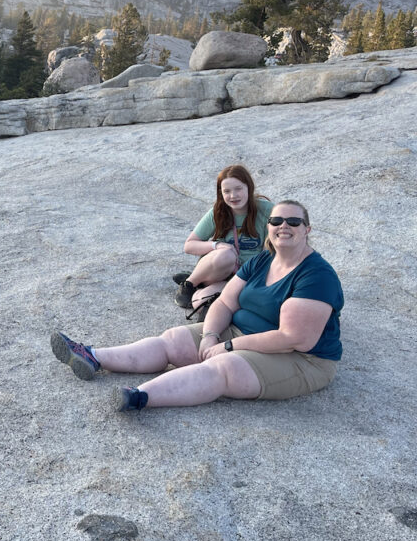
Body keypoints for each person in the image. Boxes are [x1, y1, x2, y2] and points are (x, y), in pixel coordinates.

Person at [51, 200, 343, 412]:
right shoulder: (264, 259)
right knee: (175, 340)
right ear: (268, 227)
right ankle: (92, 356)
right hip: (241, 331)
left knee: (223, 367)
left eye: (293, 222)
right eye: (276, 221)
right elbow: (226, 301)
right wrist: (211, 336)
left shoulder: (316, 275)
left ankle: (139, 396)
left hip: (301, 359)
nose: (283, 227)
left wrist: (228, 347)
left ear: (307, 230)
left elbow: (292, 338)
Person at [174, 164, 273, 310]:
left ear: (249, 187)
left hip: (246, 276)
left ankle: (203, 284)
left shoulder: (267, 210)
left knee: (199, 302)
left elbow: (274, 250)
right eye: (227, 191)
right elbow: (189, 245)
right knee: (225, 255)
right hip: (222, 268)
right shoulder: (219, 211)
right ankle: (190, 283)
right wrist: (216, 245)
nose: (233, 195)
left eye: (238, 188)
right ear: (221, 193)